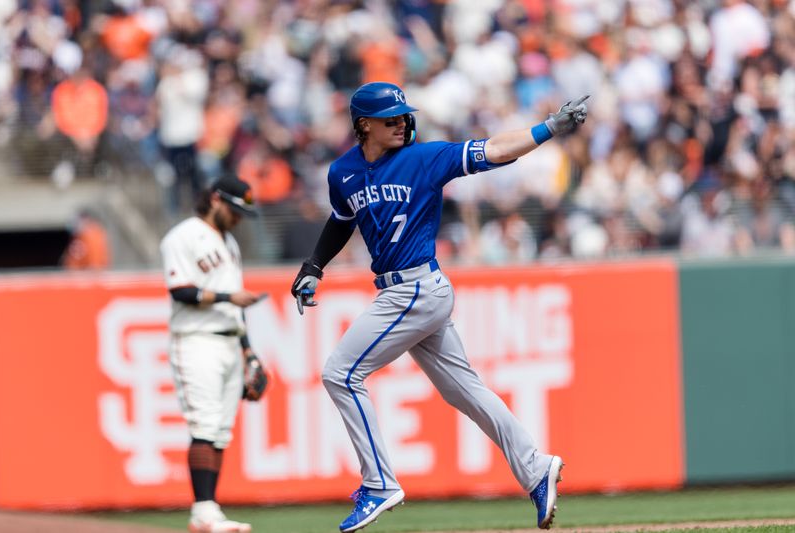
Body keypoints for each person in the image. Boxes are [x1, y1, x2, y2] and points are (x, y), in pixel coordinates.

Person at [291, 82, 588, 531]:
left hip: (415, 288)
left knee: (340, 373)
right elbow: (341, 220)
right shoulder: (343, 172)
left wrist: (548, 128)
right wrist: (314, 264)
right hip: (407, 292)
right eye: (389, 117)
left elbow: (496, 150)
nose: (400, 122)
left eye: (402, 115)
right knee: (463, 390)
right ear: (362, 125)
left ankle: (378, 484)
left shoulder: (424, 158)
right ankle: (535, 467)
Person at [160, 174, 268, 533]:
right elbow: (181, 291)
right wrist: (227, 298)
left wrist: (250, 353)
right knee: (204, 424)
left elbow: (235, 304)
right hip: (196, 339)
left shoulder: (230, 243)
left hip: (228, 339)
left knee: (220, 431)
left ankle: (209, 511)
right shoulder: (183, 235)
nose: (238, 219)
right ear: (216, 200)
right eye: (235, 210)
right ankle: (203, 512)